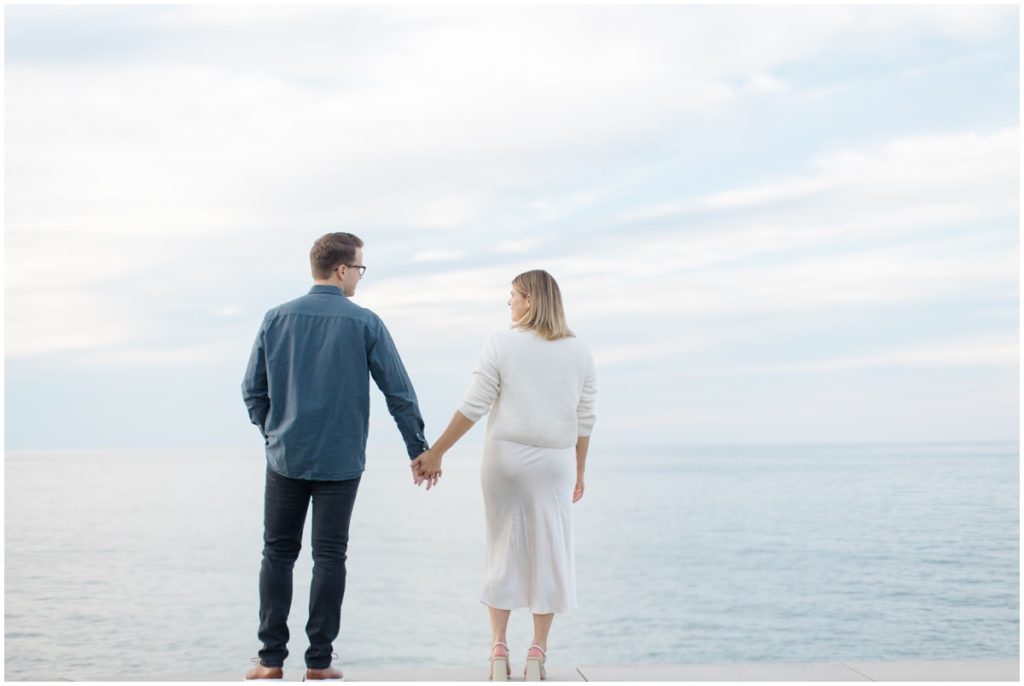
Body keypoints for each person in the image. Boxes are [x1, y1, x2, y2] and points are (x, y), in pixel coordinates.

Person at [241, 232, 430, 681]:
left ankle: (270, 660)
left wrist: (273, 431)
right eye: (360, 269)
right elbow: (398, 391)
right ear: (342, 269)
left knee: (277, 554)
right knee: (329, 557)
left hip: (285, 456)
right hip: (341, 460)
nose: (360, 278)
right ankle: (319, 662)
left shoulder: (275, 317)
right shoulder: (364, 322)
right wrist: (417, 449)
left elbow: (253, 391)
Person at [412, 269, 596, 682]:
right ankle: (537, 653)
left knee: (503, 548)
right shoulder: (579, 351)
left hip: (505, 459)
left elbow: (475, 404)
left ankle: (498, 650)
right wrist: (580, 471)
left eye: (513, 296)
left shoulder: (501, 343)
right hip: (555, 462)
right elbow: (585, 419)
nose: (509, 303)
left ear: (530, 300)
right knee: (549, 552)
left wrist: (437, 451)